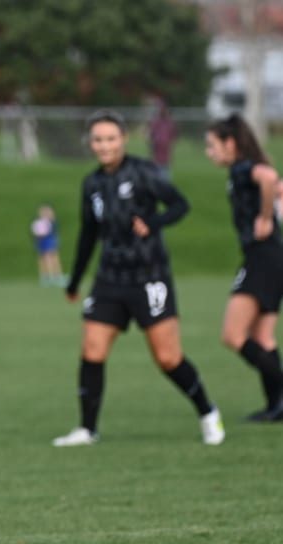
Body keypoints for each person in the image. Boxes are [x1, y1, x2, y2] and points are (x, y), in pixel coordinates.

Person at [54, 109, 224, 447]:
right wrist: (73, 281)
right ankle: (88, 429)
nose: (104, 146)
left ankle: (208, 412)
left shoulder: (144, 172)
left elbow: (180, 205)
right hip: (109, 279)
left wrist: (153, 221)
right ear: (91, 143)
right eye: (98, 140)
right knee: (92, 349)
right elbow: (89, 235)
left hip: (149, 277)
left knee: (168, 357)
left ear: (123, 139)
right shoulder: (92, 184)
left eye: (111, 138)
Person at [205, 114, 283, 421]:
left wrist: (265, 217)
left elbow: (267, 176)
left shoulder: (241, 169)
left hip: (263, 257)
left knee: (233, 335)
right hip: (272, 257)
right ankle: (276, 405)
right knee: (263, 339)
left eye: (212, 145)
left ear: (231, 144)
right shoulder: (237, 172)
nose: (209, 152)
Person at [30, 204, 64, 287]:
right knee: (45, 258)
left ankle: (55, 275)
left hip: (49, 241)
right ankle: (48, 276)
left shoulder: (51, 221)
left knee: (53, 257)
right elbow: (37, 233)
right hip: (43, 241)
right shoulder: (39, 222)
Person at [148, 97, 177, 177]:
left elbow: (172, 139)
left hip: (166, 155)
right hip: (156, 156)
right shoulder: (155, 123)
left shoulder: (170, 124)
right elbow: (151, 138)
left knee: (165, 176)